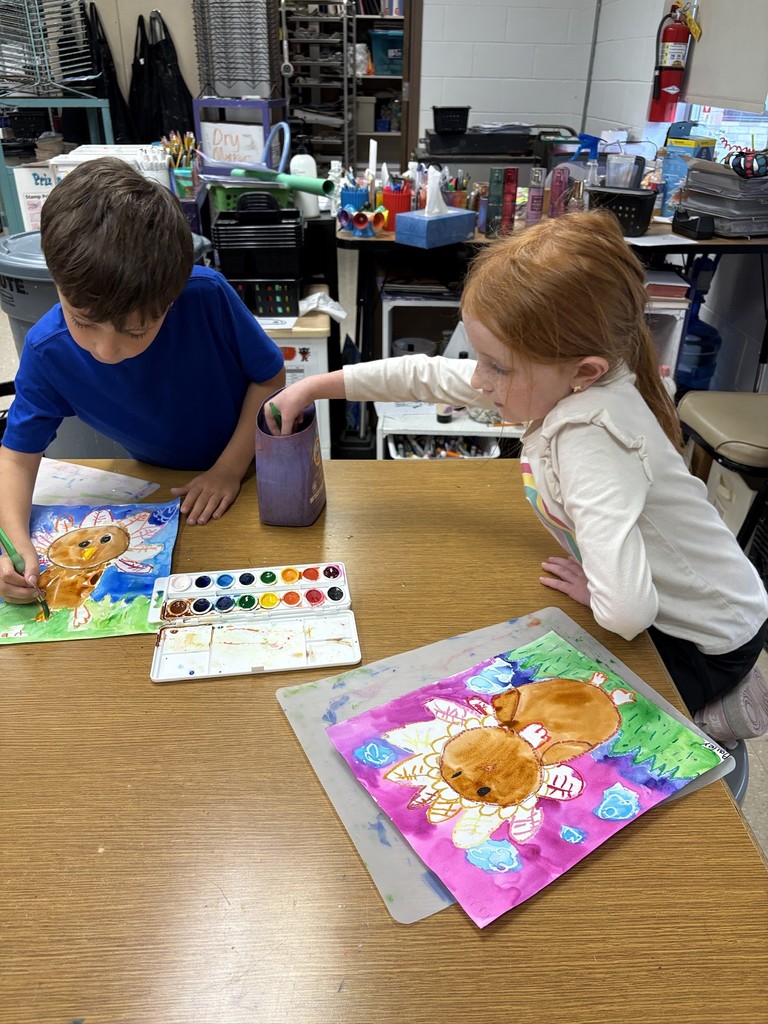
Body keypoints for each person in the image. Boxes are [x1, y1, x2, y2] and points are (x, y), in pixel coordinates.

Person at [268, 209, 768, 745]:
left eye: (496, 367)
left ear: (584, 372)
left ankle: (725, 711)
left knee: (587, 731)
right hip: (684, 604)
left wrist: (605, 591)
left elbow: (629, 610)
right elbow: (430, 374)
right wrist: (313, 387)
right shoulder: (563, 379)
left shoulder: (589, 438)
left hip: (707, 640)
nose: (479, 379)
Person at [0, 157, 285, 606]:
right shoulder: (47, 351)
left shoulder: (205, 297)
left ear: (170, 301)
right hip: (163, 490)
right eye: (82, 320)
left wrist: (228, 471)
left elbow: (270, 381)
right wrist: (14, 547)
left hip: (257, 468)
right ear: (57, 284)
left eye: (136, 331)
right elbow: (17, 459)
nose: (106, 351)